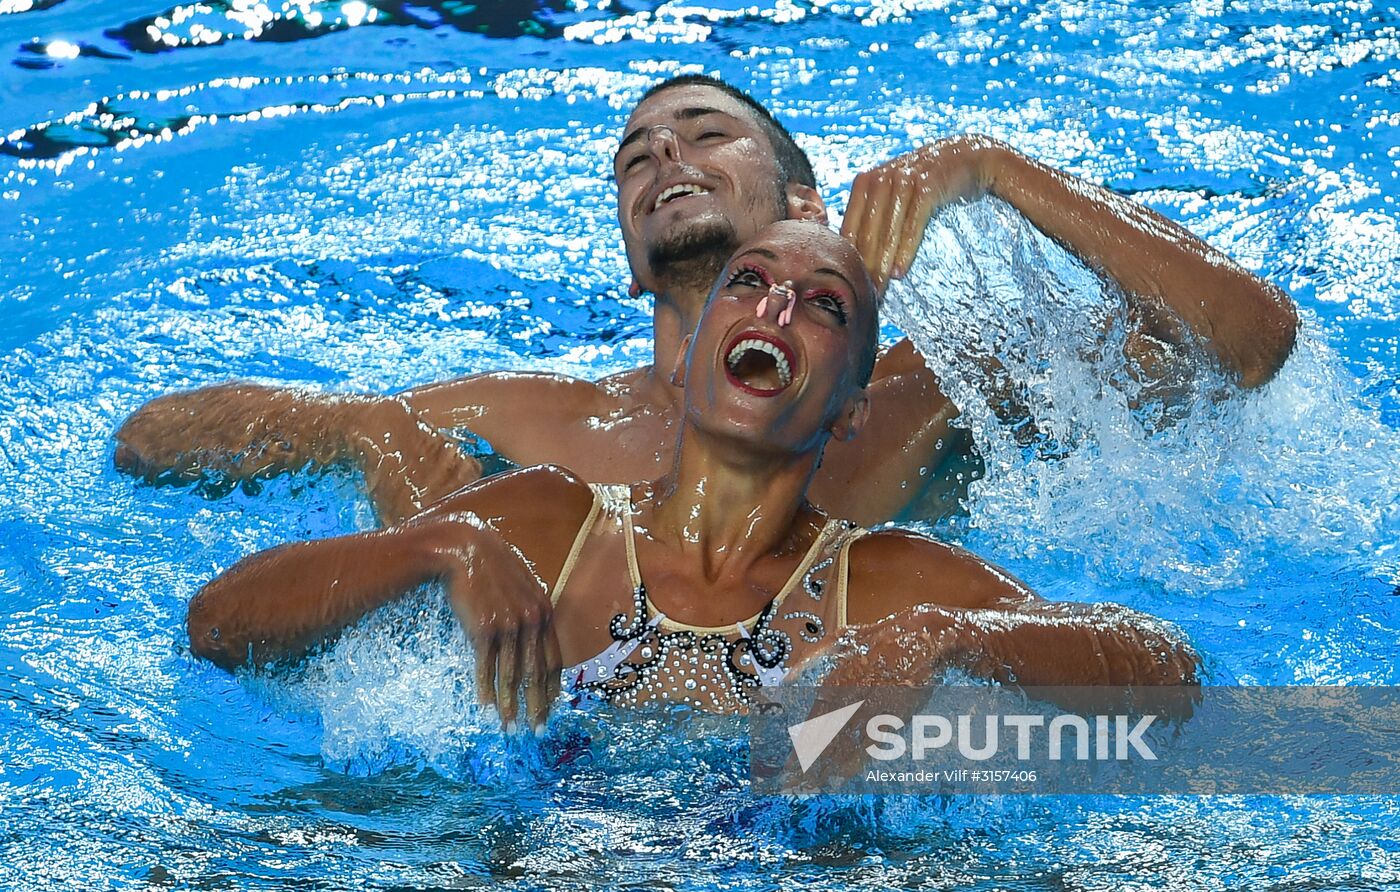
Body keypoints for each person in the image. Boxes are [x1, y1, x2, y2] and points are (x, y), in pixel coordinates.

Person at [114, 75, 1298, 528]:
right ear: (633, 265)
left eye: (702, 133)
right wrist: (367, 431)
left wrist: (994, 169)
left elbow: (1245, 344)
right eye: (634, 158)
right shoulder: (540, 421)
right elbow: (152, 440)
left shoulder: (935, 390)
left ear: (805, 202)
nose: (661, 156)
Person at [186, 223, 1199, 732]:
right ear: (700, 341)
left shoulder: (887, 585)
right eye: (748, 283)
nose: (775, 308)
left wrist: (949, 637)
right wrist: (439, 543)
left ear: (849, 409)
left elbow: (1171, 679)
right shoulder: (550, 526)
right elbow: (219, 626)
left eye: (823, 305)